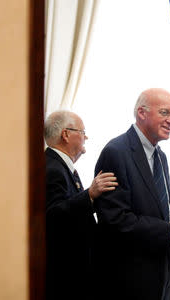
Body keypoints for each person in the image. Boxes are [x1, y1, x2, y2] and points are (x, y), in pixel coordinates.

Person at [93, 88, 170, 300]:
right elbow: (115, 220)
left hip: (166, 270)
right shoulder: (116, 152)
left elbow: (164, 209)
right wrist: (166, 230)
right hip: (133, 279)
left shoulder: (160, 156)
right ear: (141, 113)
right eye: (164, 112)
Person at [44, 110, 118, 300]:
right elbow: (53, 216)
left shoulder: (61, 166)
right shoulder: (52, 168)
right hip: (65, 275)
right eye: (82, 132)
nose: (86, 137)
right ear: (66, 134)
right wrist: (90, 195)